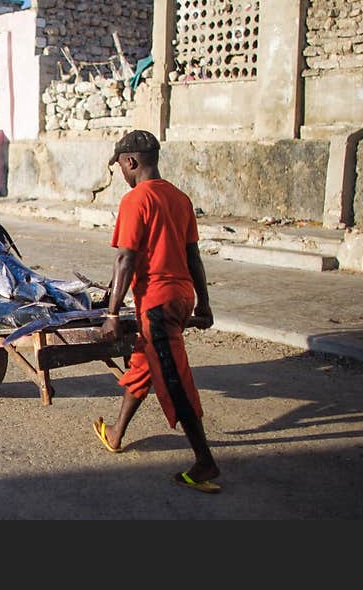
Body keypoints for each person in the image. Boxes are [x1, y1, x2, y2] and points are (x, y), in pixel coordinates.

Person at [94, 129, 220, 493]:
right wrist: (205, 304)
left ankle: (205, 463)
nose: (121, 174)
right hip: (182, 298)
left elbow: (126, 258)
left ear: (130, 162)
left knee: (176, 381)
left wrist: (113, 313)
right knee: (144, 364)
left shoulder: (137, 200)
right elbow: (193, 256)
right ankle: (116, 433)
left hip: (158, 305)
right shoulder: (180, 199)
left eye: (120, 166)